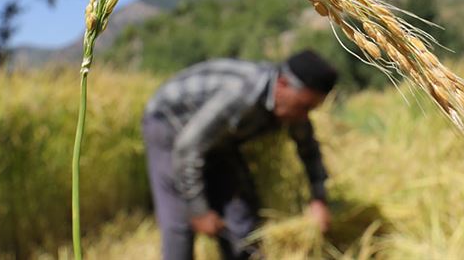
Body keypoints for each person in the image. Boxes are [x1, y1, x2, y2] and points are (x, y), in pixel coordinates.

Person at [141, 50, 338, 260]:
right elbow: (187, 150)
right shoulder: (241, 94)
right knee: (179, 221)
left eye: (311, 109)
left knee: (241, 216)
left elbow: (310, 151)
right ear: (282, 84)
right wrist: (199, 211)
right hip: (170, 125)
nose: (304, 116)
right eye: (303, 106)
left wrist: (319, 199)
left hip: (218, 138)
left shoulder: (295, 111)